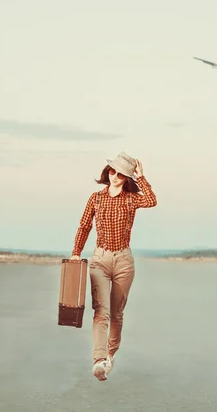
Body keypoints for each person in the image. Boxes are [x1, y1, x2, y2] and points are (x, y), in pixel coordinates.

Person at [70, 151, 157, 381]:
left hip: (123, 261)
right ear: (107, 172)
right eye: (112, 171)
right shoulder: (95, 198)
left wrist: (141, 176)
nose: (115, 176)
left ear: (126, 177)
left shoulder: (131, 198)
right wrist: (76, 253)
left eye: (120, 174)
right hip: (99, 259)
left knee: (117, 313)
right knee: (101, 311)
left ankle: (110, 355)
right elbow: (84, 226)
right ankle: (98, 359)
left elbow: (151, 200)